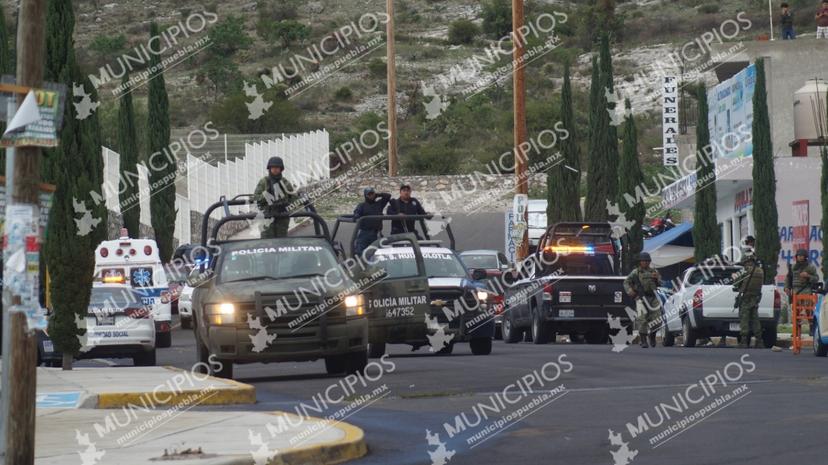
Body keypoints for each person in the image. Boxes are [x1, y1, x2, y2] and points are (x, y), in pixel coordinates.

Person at [623, 252, 662, 348]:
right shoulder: (636, 272)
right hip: (640, 297)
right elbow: (626, 282)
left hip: (653, 297)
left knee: (657, 320)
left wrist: (657, 279)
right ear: (640, 262)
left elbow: (660, 283)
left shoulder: (654, 271)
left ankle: (652, 336)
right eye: (643, 261)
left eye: (647, 261)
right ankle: (643, 340)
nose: (645, 263)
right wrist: (630, 292)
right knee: (642, 319)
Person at [253, 157, 298, 238]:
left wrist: (287, 207)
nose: (275, 170)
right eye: (272, 167)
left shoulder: (285, 182)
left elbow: (294, 198)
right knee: (267, 242)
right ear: (269, 168)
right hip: (267, 216)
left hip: (282, 217)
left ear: (281, 169)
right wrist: (266, 194)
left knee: (281, 241)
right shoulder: (264, 182)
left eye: (277, 167)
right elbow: (255, 198)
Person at [734, 246, 765, 348]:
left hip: (745, 298)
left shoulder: (744, 270)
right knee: (755, 319)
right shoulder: (760, 271)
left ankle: (743, 341)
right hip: (755, 297)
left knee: (744, 319)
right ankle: (759, 341)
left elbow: (736, 284)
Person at [353, 187, 391, 256]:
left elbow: (388, 196)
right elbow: (356, 214)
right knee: (359, 252)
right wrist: (357, 216)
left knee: (378, 253)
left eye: (372, 194)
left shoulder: (379, 204)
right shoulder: (362, 205)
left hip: (376, 233)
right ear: (365, 195)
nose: (371, 196)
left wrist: (378, 194)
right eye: (369, 194)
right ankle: (361, 265)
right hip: (365, 233)